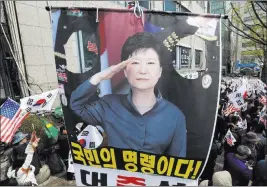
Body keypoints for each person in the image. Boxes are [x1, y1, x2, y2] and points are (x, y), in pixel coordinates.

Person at [70, 32, 186, 157]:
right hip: (117, 176)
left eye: (150, 63)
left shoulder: (175, 116)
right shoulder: (109, 104)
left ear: (160, 71)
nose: (143, 71)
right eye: (135, 63)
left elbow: (177, 163)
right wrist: (101, 76)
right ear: (124, 70)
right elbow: (77, 105)